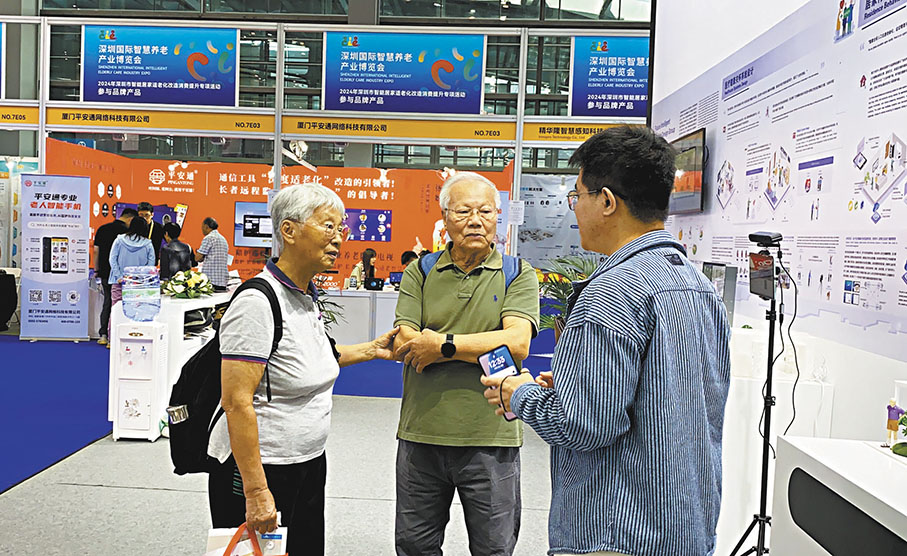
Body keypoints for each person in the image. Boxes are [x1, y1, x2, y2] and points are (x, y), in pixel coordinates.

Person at [481, 126, 731, 556]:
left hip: (615, 534)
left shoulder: (610, 293)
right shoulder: (700, 287)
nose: (574, 208)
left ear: (607, 202)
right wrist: (572, 389)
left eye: (577, 196)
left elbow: (581, 425)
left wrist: (518, 392)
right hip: (686, 526)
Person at [207, 184, 399, 556]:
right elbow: (236, 401)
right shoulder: (257, 303)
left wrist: (372, 349)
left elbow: (313, 360)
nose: (339, 239)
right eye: (328, 227)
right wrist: (257, 491)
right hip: (264, 470)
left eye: (340, 229)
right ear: (289, 231)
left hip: (307, 462)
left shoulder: (303, 295)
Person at [392, 172, 540, 556]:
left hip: (491, 436)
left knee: (493, 548)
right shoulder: (420, 271)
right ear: (445, 216)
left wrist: (441, 345)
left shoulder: (518, 274)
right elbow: (407, 342)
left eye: (486, 211)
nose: (475, 220)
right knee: (413, 545)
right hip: (421, 433)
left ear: (498, 217)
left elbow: (517, 341)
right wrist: (479, 345)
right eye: (463, 210)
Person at [93, 208, 136, 345]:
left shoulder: (102, 229)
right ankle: (118, 335)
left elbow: (95, 251)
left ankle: (103, 334)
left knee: (107, 303)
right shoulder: (127, 234)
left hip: (105, 273)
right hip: (123, 275)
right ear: (130, 219)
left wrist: (96, 269)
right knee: (121, 305)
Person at [108, 216, 155, 337]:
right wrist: (139, 279)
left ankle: (112, 338)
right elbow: (150, 265)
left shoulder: (119, 240)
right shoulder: (148, 244)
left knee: (116, 310)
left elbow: (112, 259)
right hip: (138, 285)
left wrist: (119, 276)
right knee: (136, 311)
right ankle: (132, 336)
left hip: (119, 282)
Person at [196, 217, 229, 291]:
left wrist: (197, 253)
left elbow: (197, 258)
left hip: (211, 281)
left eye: (202, 227)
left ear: (206, 226)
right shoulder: (223, 239)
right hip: (223, 282)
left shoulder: (209, 238)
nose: (202, 230)